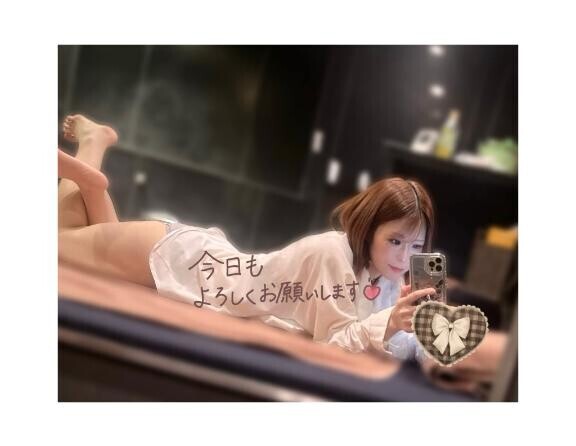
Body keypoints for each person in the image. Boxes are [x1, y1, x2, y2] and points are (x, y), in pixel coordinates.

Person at [58, 114, 437, 365]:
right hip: (185, 264)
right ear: (369, 228)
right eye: (396, 241)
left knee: (83, 242)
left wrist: (417, 325)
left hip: (201, 264)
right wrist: (389, 322)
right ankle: (92, 149)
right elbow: (335, 345)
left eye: (416, 246)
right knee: (57, 243)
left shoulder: (382, 276)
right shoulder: (333, 254)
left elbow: (389, 347)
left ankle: (92, 175)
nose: (405, 257)